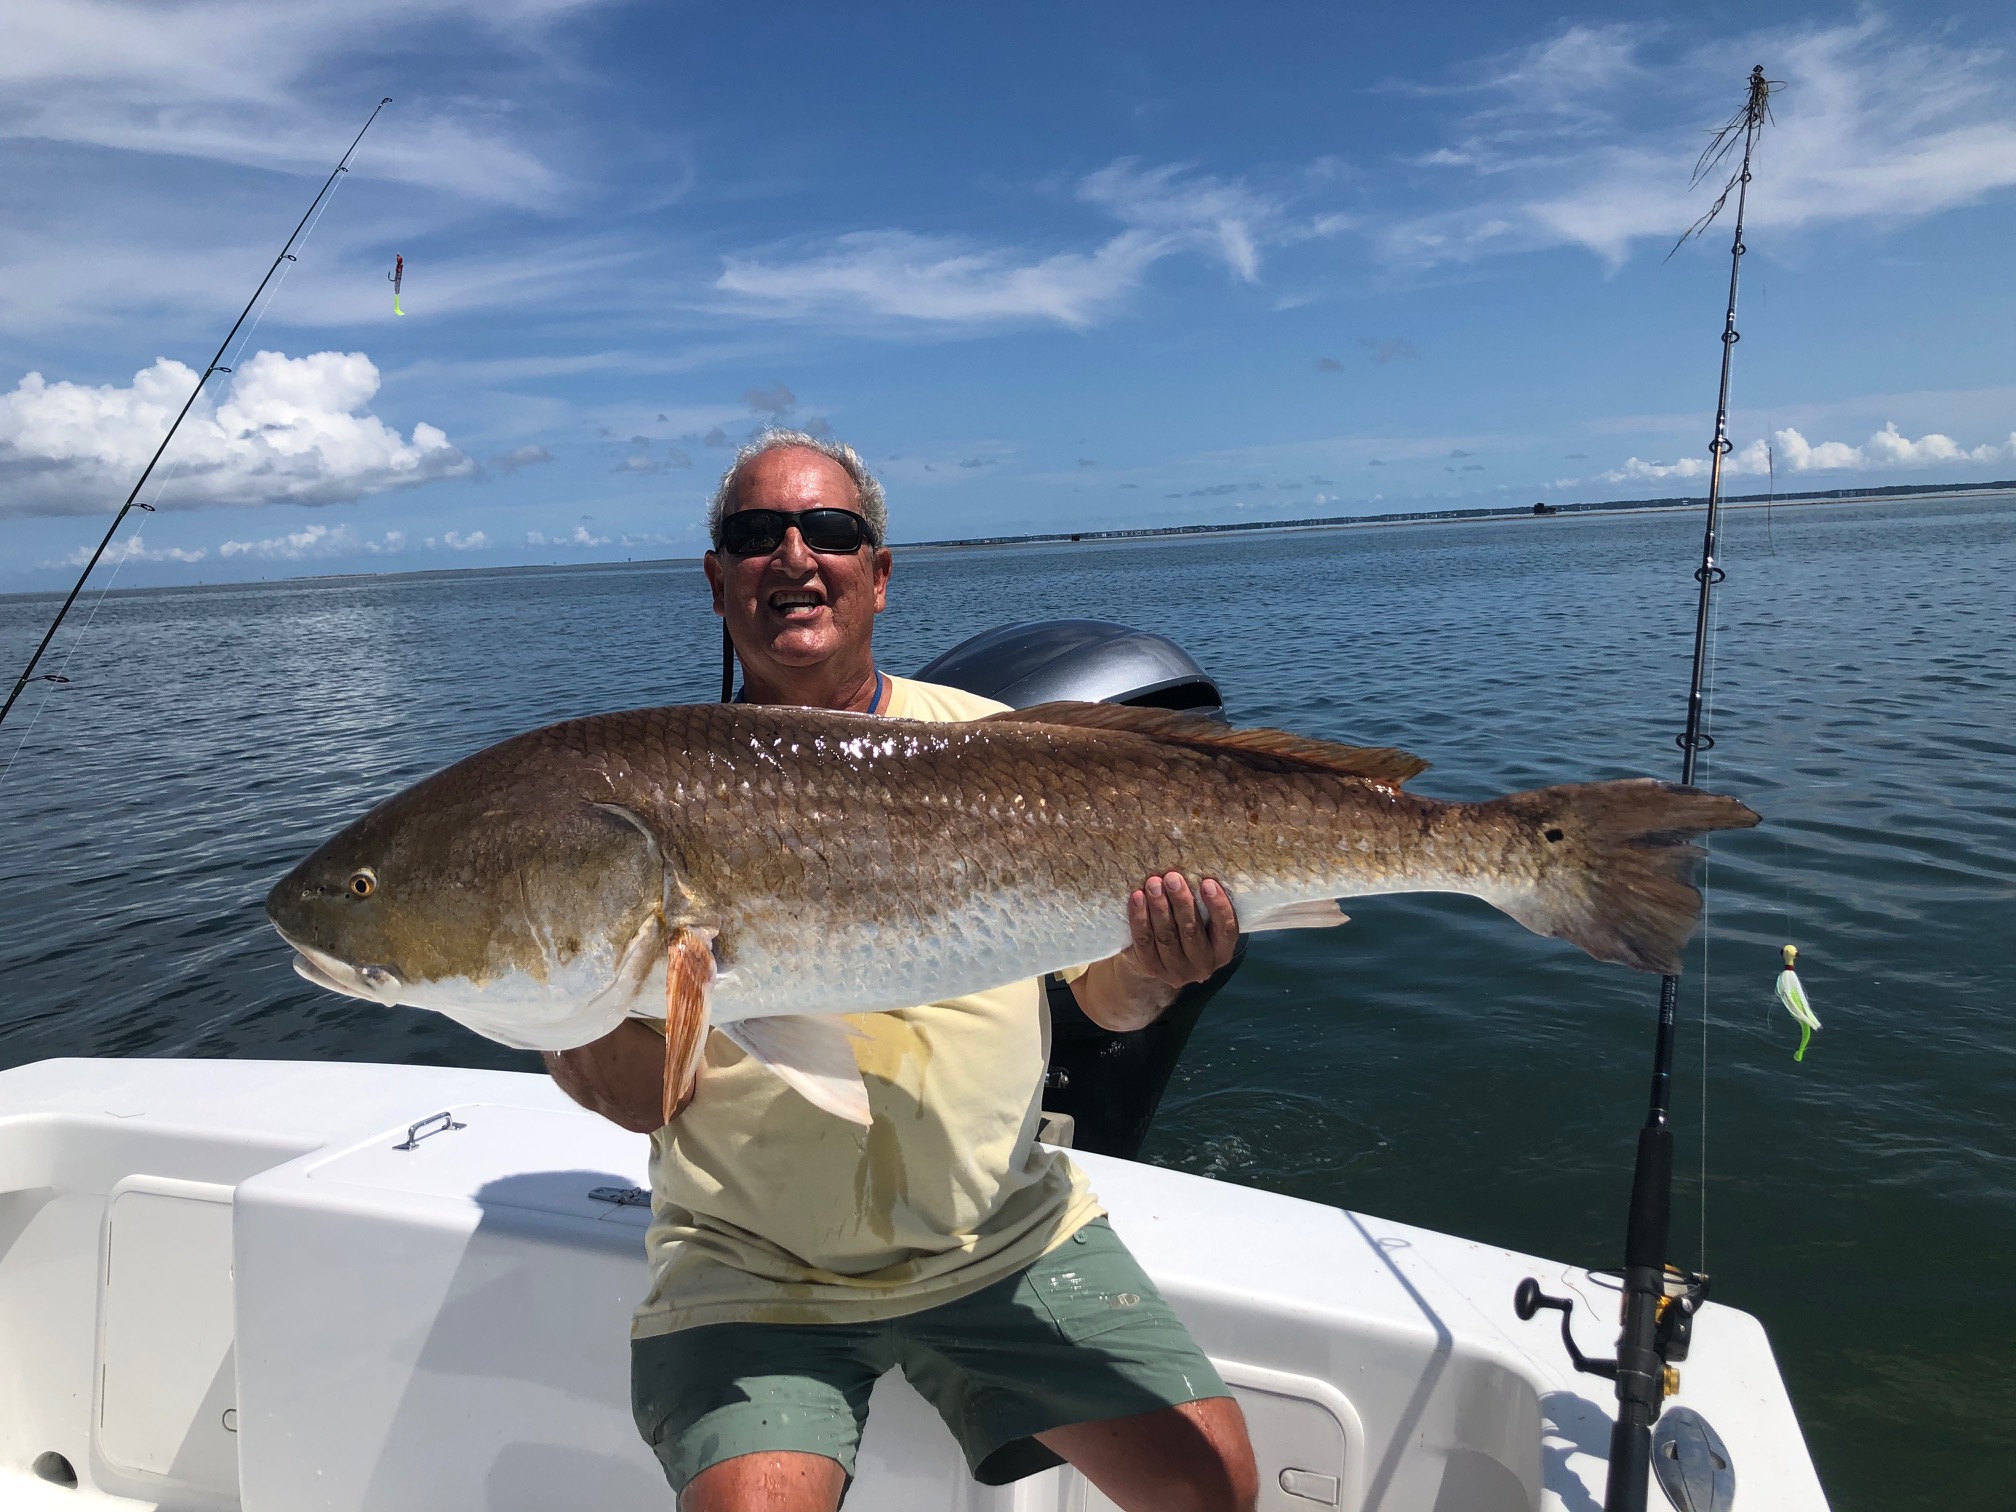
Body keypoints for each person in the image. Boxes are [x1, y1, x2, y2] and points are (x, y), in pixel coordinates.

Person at [546, 430, 1258, 1512]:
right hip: (755, 1262)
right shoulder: (647, 794)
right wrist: (565, 985)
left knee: (1212, 1485)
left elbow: (1091, 1004)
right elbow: (647, 1096)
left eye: (830, 530)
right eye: (754, 535)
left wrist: (1159, 973)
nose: (793, 555)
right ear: (716, 580)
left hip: (1002, 1234)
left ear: (877, 575)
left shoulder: (1001, 749)